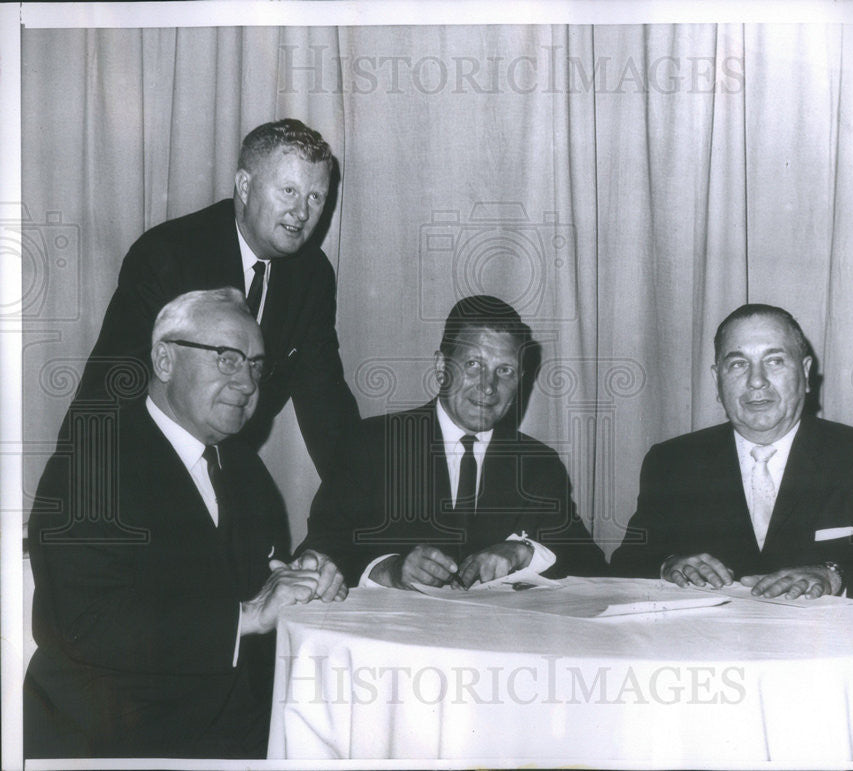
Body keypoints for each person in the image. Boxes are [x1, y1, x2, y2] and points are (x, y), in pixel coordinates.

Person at [25, 289, 347, 759]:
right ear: (164, 359)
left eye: (257, 365)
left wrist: (297, 573)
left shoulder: (244, 469)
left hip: (234, 728)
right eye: (227, 359)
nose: (248, 383)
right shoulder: (91, 463)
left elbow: (241, 577)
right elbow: (83, 622)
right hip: (114, 740)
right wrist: (248, 616)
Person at [66, 118, 359, 479]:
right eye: (288, 191)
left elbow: (325, 405)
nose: (302, 212)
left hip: (228, 477)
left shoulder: (311, 274)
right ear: (245, 186)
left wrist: (367, 506)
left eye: (316, 197)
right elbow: (108, 393)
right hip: (140, 473)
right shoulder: (168, 256)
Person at [610, 303, 853, 617]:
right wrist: (668, 565)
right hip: (707, 658)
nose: (756, 381)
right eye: (738, 364)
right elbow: (624, 568)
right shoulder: (672, 462)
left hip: (824, 658)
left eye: (775, 361)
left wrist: (834, 576)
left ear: (805, 374)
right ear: (717, 380)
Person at [300, 295, 608, 589]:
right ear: (441, 367)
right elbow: (318, 553)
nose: (489, 387)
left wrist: (525, 552)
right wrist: (390, 570)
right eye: (473, 364)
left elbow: (593, 569)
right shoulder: (371, 446)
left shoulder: (540, 465)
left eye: (505, 371)